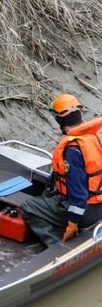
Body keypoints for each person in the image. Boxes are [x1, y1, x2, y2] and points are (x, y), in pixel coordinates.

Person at [21, 94, 102, 246]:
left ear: (59, 120)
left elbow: (79, 196)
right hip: (99, 204)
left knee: (28, 207)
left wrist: (73, 224)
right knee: (48, 195)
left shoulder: (73, 149)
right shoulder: (95, 137)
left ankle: (57, 245)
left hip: (86, 211)